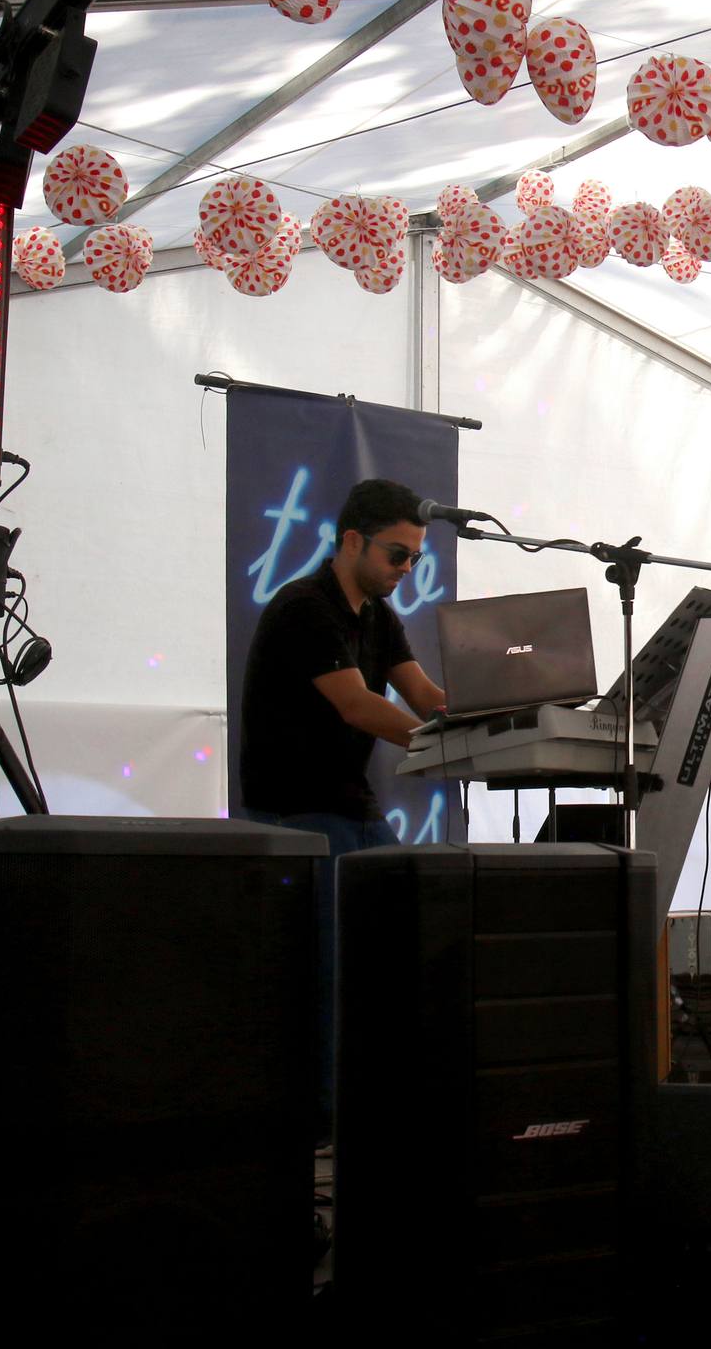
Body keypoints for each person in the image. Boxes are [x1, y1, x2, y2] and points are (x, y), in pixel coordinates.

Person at [239, 477, 447, 1142]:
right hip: (298, 815)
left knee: (393, 958)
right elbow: (359, 705)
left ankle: (375, 1111)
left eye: (414, 558)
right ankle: (328, 1126)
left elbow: (424, 696)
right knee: (331, 978)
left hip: (353, 808)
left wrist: (508, 712)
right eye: (396, 555)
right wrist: (452, 748)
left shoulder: (380, 617)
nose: (406, 570)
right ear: (353, 540)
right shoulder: (304, 607)